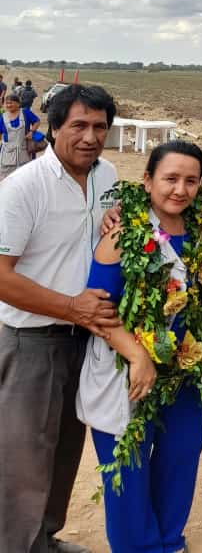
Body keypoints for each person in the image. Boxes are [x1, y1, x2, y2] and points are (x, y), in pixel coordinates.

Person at [0, 84, 119, 553]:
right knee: (24, 458)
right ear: (53, 127)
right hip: (32, 340)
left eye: (99, 127)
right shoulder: (24, 187)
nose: (90, 137)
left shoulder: (108, 176)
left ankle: (45, 539)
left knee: (67, 447)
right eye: (79, 126)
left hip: (85, 339)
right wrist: (71, 307)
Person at [82, 141, 202, 553]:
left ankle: (169, 543)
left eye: (191, 181)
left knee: (181, 455)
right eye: (170, 178)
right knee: (129, 473)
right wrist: (138, 355)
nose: (180, 189)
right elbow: (98, 311)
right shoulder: (124, 235)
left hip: (181, 375)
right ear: (148, 180)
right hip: (126, 375)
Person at [0, 91, 42, 180]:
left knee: (25, 177)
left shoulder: (25, 112)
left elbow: (37, 121)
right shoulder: (3, 117)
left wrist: (31, 131)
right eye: (7, 103)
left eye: (11, 103)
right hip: (8, 154)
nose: (8, 105)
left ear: (18, 104)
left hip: (25, 152)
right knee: (7, 179)